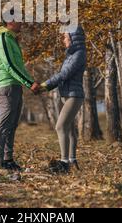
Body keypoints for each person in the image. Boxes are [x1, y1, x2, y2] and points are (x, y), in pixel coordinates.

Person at [33, 25, 87, 174]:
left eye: (65, 37)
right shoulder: (71, 54)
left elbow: (64, 75)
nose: (63, 40)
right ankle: (71, 160)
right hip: (68, 94)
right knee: (69, 129)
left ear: (72, 37)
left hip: (74, 95)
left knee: (60, 126)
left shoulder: (79, 54)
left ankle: (64, 164)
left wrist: (44, 86)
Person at [0, 20, 40, 171]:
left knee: (12, 125)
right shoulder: (3, 39)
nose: (22, 23)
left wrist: (31, 82)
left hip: (15, 85)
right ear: (10, 21)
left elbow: (19, 66)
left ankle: (8, 159)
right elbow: (9, 66)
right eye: (19, 20)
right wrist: (28, 83)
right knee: (4, 123)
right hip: (6, 86)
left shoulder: (11, 39)